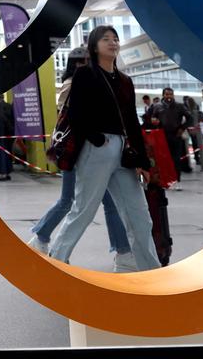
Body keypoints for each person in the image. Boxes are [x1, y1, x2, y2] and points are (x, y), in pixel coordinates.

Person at [48, 26, 161, 269]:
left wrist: (142, 161)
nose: (113, 43)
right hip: (95, 150)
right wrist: (95, 138)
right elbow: (76, 113)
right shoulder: (85, 75)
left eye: (115, 39)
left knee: (139, 215)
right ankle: (56, 261)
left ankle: (150, 270)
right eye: (106, 39)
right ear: (95, 46)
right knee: (83, 211)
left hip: (122, 152)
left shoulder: (124, 81)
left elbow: (132, 121)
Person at [29, 47, 135, 270]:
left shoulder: (87, 82)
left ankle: (43, 240)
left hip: (90, 153)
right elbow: (77, 118)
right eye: (83, 62)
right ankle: (45, 241)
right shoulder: (74, 85)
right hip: (79, 151)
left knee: (101, 202)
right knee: (74, 200)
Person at [143, 87, 193, 175]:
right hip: (161, 135)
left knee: (176, 158)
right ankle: (166, 177)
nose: (169, 96)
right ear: (163, 95)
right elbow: (147, 117)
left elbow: (190, 118)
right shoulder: (156, 106)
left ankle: (176, 178)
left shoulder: (179, 106)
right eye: (167, 94)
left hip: (176, 135)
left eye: (171, 94)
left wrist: (182, 128)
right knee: (163, 158)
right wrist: (153, 121)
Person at [0, 97, 15, 180]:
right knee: (7, 155)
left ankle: (2, 174)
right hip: (6, 138)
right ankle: (7, 173)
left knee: (1, 156)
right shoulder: (3, 115)